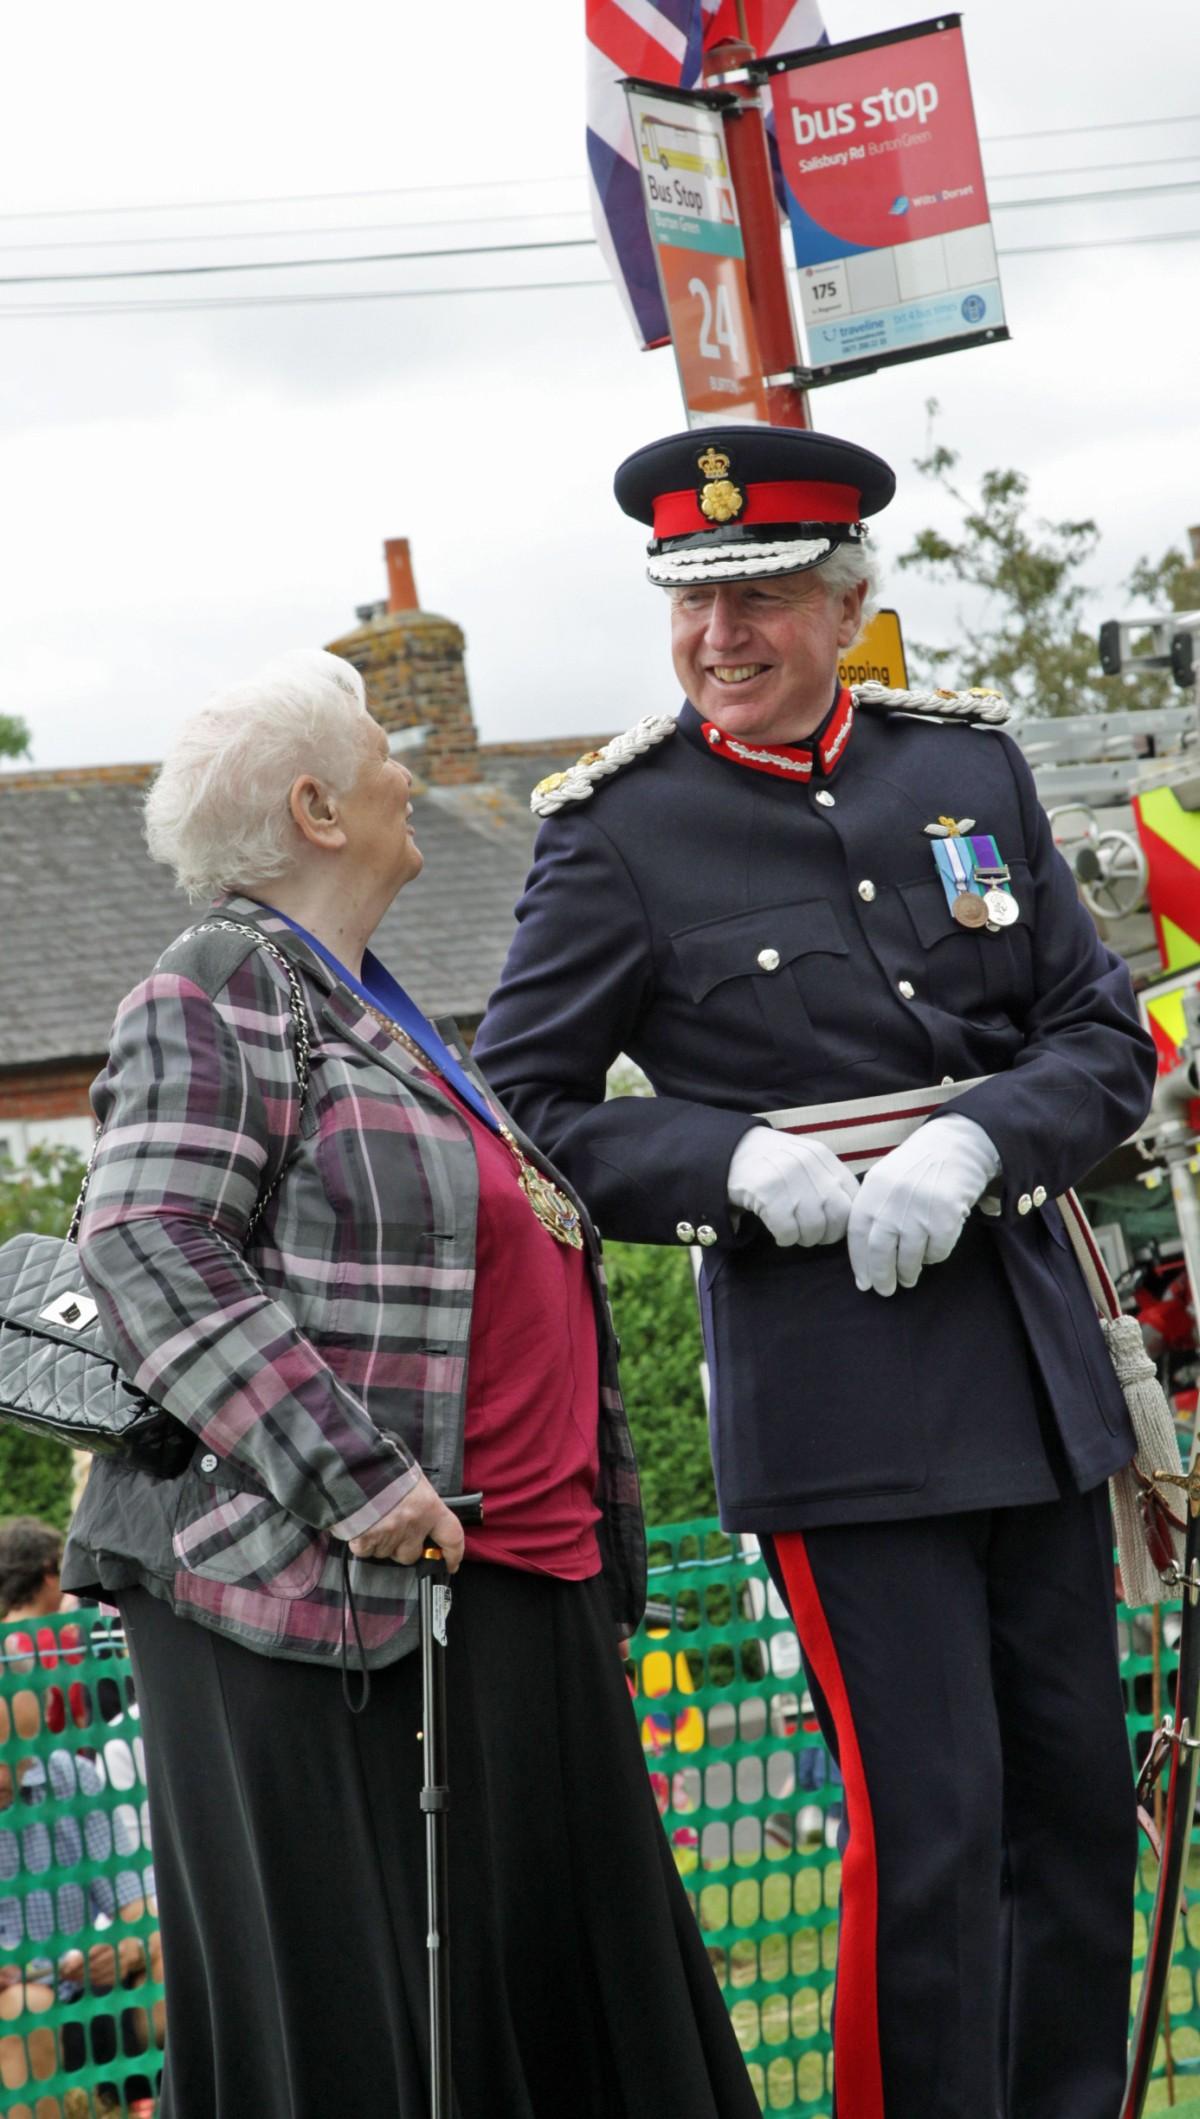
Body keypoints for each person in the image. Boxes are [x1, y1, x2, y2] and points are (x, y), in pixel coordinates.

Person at [473, 424, 1160, 2118]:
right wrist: (735, 1166)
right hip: (835, 1383)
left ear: (849, 602)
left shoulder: (966, 776)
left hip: (1026, 1351)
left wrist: (982, 1139)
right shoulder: (617, 831)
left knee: (1076, 1807)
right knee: (932, 1823)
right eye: (695, 604)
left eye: (764, 597)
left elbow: (1097, 1037)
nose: (724, 639)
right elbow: (530, 1106)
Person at [60, 647, 762, 2119]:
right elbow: (145, 1235)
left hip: (519, 1584)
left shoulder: (378, 1005)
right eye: (383, 751)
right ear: (317, 808)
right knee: (403, 2042)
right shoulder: (218, 983)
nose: (407, 769)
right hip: (339, 1615)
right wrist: (358, 1479)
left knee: (570, 2017)